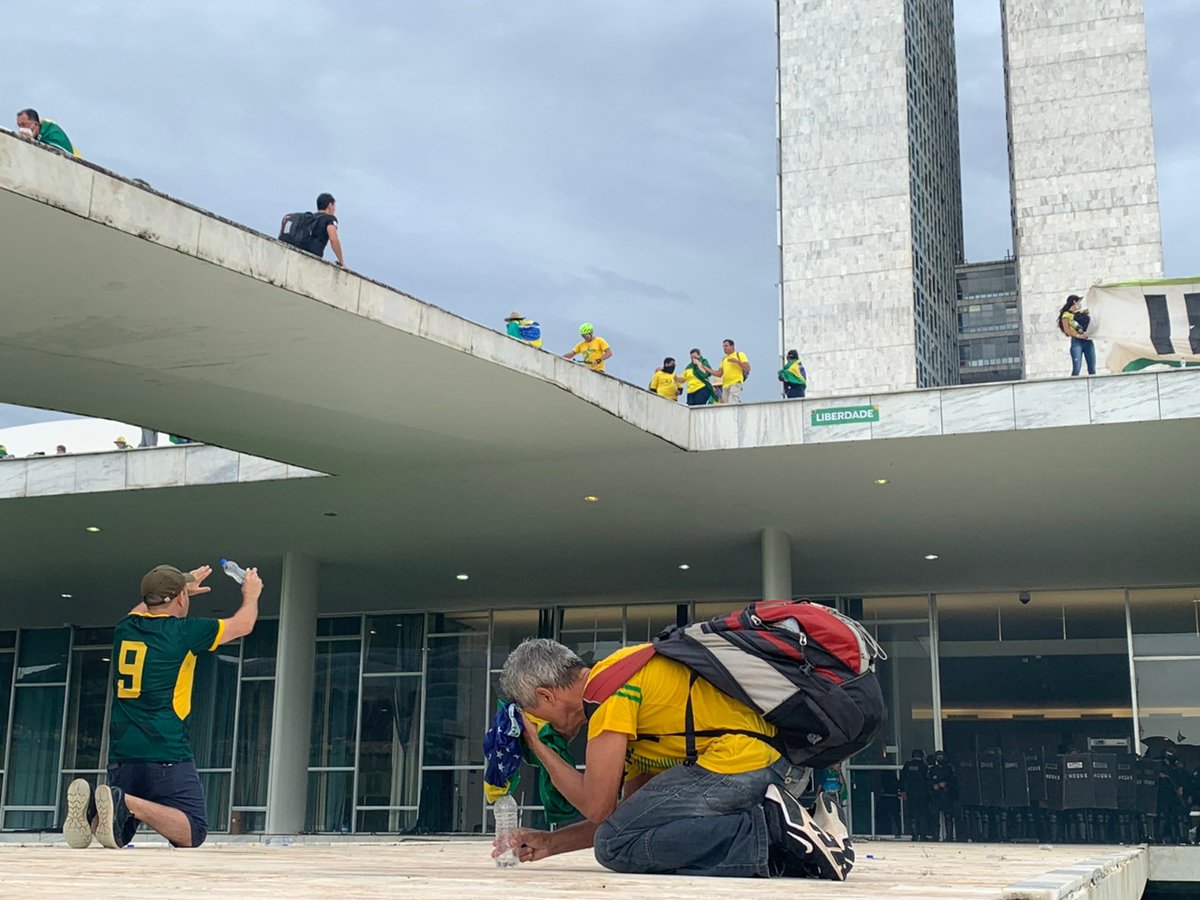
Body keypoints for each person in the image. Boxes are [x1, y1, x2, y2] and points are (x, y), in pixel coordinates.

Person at [494, 638, 853, 881]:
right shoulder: (624, 696)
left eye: (535, 714)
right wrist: (549, 843)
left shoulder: (606, 690)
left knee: (611, 847)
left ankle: (776, 837)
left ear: (545, 696)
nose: (543, 725)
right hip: (778, 766)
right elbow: (626, 820)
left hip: (749, 764)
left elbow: (597, 808)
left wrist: (538, 746)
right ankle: (792, 830)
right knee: (619, 839)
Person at [61, 563, 262, 850]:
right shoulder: (185, 631)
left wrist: (176, 587)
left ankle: (94, 806)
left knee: (118, 834)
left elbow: (145, 605)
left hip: (122, 752)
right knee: (193, 831)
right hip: (166, 748)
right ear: (181, 598)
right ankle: (124, 801)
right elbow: (244, 625)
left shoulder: (126, 627)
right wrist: (252, 594)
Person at [1057, 294, 1096, 376]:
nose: (1079, 305)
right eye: (1078, 302)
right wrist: (1078, 335)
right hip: (1077, 342)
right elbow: (1067, 330)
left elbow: (1091, 310)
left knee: (1092, 368)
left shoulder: (1079, 313)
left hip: (1088, 341)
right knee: (1076, 368)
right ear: (1074, 302)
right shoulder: (1066, 315)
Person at [900, 749, 931, 841]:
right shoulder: (924, 766)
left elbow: (902, 778)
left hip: (911, 794)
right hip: (922, 794)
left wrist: (903, 791)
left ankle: (914, 835)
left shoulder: (907, 765)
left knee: (913, 814)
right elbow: (927, 780)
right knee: (923, 814)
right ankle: (923, 835)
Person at [927, 750, 957, 841]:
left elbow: (954, 780)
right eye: (938, 757)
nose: (939, 758)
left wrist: (946, 784)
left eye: (941, 756)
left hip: (946, 796)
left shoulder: (949, 768)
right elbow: (928, 781)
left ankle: (949, 836)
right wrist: (933, 786)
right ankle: (935, 835)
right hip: (936, 797)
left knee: (948, 817)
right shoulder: (932, 769)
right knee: (934, 817)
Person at [719, 339, 751, 404]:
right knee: (724, 404)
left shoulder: (739, 354)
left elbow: (748, 368)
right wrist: (706, 369)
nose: (724, 348)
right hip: (725, 385)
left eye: (726, 346)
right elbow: (719, 373)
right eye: (723, 346)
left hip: (736, 382)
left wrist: (736, 361)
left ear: (732, 347)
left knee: (732, 402)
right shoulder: (724, 359)